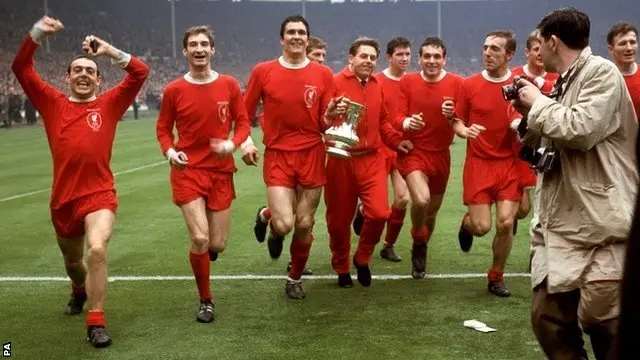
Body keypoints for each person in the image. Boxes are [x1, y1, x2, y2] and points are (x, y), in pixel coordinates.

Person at [12, 15, 149, 347]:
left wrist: (107, 51)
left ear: (100, 81)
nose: (84, 74)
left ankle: (96, 320)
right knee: (74, 262)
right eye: (78, 70)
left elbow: (140, 72)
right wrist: (36, 34)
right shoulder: (51, 103)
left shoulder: (111, 104)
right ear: (67, 77)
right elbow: (22, 68)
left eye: (91, 71)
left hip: (99, 195)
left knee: (97, 250)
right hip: (63, 201)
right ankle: (77, 289)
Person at [513, 7, 638, 359]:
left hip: (600, 222)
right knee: (546, 318)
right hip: (561, 223)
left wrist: (537, 104)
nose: (537, 52)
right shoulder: (565, 81)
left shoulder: (602, 72)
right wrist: (528, 118)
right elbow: (553, 137)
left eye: (539, 44)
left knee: (604, 323)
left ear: (553, 41)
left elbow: (581, 130)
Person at [241, 15, 344, 299]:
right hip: (278, 155)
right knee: (285, 224)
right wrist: (246, 143)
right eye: (291, 32)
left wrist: (331, 117)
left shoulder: (323, 74)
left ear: (308, 39)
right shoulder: (263, 71)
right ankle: (270, 220)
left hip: (312, 153)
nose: (296, 36)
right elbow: (243, 114)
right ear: (282, 38)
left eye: (301, 32)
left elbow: (324, 122)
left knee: (304, 223)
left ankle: (294, 277)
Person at [156, 25, 250, 323]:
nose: (198, 49)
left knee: (216, 244)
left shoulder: (230, 85)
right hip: (188, 170)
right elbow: (163, 129)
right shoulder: (173, 89)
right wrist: (171, 152)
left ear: (213, 49)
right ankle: (206, 300)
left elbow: (244, 123)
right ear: (185, 51)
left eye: (204, 44)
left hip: (221, 172)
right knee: (199, 237)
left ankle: (205, 256)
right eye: (193, 45)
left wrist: (232, 144)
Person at [325, 37, 411, 288]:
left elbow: (383, 121)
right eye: (364, 56)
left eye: (372, 58)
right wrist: (330, 116)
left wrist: (396, 142)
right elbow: (322, 118)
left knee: (380, 212)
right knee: (339, 221)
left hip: (372, 158)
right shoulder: (333, 83)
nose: (369, 62)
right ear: (351, 58)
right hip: (341, 159)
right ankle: (341, 267)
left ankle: (362, 257)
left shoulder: (377, 85)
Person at [396, 36, 469, 279]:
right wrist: (407, 122)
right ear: (419, 59)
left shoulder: (457, 83)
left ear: (444, 59)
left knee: (431, 212)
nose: (432, 60)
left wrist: (454, 116)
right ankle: (418, 238)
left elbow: (461, 118)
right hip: (414, 151)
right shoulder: (407, 81)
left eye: (437, 56)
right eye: (427, 56)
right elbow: (394, 114)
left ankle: (423, 242)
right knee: (421, 200)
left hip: (441, 156)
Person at [454, 30, 519, 297]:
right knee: (482, 228)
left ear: (509, 55)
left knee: (505, 223)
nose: (488, 53)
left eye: (495, 49)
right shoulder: (468, 85)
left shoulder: (519, 84)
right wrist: (463, 131)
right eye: (485, 48)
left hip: (508, 164)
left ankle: (496, 276)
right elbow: (457, 120)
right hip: (479, 164)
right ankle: (466, 223)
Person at [351, 37, 411, 263]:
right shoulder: (375, 80)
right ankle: (363, 216)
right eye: (400, 54)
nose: (404, 59)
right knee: (377, 206)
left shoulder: (410, 81)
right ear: (388, 57)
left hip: (399, 147)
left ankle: (388, 245)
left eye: (407, 54)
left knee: (403, 199)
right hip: (377, 149)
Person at [510, 30, 559, 232]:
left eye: (543, 48)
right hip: (518, 149)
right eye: (536, 49)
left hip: (548, 147)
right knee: (522, 208)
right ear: (527, 51)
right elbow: (509, 110)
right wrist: (518, 124)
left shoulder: (557, 76)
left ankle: (537, 253)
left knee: (537, 206)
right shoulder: (514, 76)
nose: (540, 53)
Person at [607, 22, 640, 118]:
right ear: (611, 49)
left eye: (632, 42)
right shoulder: (604, 78)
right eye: (622, 43)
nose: (629, 48)